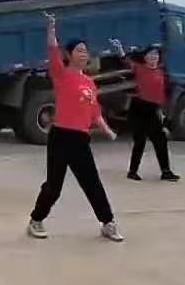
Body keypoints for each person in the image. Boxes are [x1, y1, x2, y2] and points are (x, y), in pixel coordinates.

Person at [27, 13, 124, 242]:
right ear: (69, 55)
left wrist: (107, 130)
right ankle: (36, 220)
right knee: (54, 186)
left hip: (80, 139)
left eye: (85, 51)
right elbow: (52, 49)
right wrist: (51, 28)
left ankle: (108, 223)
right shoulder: (61, 75)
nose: (84, 54)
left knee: (92, 183)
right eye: (79, 50)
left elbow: (94, 112)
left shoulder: (89, 83)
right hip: (60, 136)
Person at [109, 39, 180, 182]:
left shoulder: (161, 71)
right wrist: (120, 49)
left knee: (160, 140)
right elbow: (126, 61)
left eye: (156, 55)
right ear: (145, 57)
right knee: (140, 141)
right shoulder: (139, 68)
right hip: (139, 108)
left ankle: (166, 171)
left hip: (153, 109)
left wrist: (163, 112)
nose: (154, 57)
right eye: (151, 54)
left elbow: (162, 93)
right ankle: (132, 171)